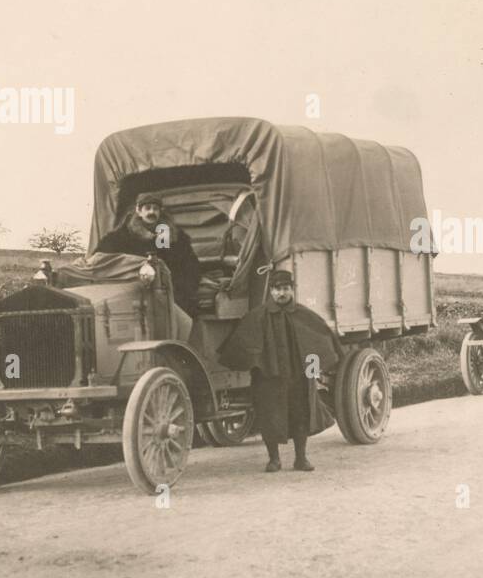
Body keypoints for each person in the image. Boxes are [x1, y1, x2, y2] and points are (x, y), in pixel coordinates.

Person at [217, 269, 344, 473]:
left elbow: (320, 338)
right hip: (269, 378)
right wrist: (253, 363)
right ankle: (273, 459)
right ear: (271, 291)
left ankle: (301, 458)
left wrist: (314, 369)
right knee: (270, 415)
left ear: (292, 290)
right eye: (277, 289)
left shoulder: (304, 315)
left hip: (298, 376)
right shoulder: (257, 316)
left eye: (285, 289)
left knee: (300, 413)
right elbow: (242, 342)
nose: (281, 293)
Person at [97, 192, 202, 317]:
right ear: (138, 211)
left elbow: (191, 265)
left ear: (160, 212)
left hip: (170, 295)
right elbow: (102, 258)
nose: (151, 212)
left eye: (155, 209)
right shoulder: (122, 236)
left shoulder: (173, 236)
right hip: (135, 294)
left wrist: (182, 289)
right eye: (147, 208)